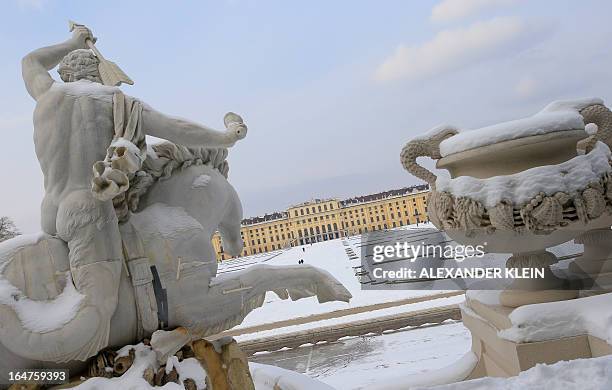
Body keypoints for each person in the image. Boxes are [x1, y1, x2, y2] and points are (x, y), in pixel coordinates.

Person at [21, 25, 247, 359]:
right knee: (97, 309)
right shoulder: (117, 102)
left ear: (65, 71)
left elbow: (30, 60)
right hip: (87, 212)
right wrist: (226, 138)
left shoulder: (48, 93)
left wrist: (71, 41)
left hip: (51, 210)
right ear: (100, 72)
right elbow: (180, 130)